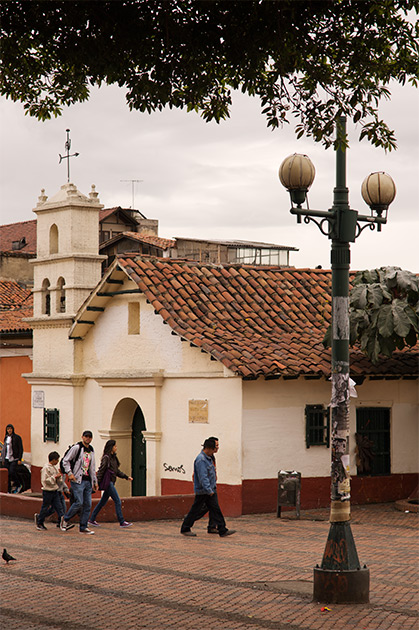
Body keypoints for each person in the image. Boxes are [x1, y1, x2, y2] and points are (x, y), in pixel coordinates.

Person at [180, 438, 236, 538]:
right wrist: (209, 490)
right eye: (216, 446)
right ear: (209, 448)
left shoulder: (210, 458)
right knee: (198, 509)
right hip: (204, 491)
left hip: (210, 489)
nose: (217, 448)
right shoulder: (201, 460)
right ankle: (185, 527)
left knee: (214, 509)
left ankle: (221, 529)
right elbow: (203, 477)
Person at [60, 430, 98, 534]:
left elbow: (92, 467)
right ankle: (65, 519)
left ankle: (83, 526)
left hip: (87, 481)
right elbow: (65, 460)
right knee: (79, 502)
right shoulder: (77, 448)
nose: (88, 438)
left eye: (90, 437)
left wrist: (94, 481)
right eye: (86, 436)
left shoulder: (91, 450)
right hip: (77, 480)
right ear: (82, 437)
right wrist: (69, 473)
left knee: (87, 505)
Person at [88, 439, 133, 528]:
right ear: (111, 447)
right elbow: (101, 470)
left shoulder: (113, 458)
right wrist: (96, 482)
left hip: (111, 481)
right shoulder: (106, 458)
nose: (116, 448)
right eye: (115, 446)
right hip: (108, 482)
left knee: (102, 502)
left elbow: (116, 471)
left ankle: (92, 519)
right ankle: (121, 521)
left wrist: (126, 477)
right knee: (117, 500)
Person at [34, 451, 75, 531]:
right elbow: (45, 480)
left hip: (55, 491)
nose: (57, 462)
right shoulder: (46, 468)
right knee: (45, 507)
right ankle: (40, 522)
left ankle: (62, 524)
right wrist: (54, 477)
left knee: (59, 508)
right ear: (53, 460)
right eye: (57, 460)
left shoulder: (54, 468)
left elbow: (59, 480)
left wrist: (59, 479)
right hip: (48, 491)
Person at [1, 424, 24, 493]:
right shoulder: (6, 438)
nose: (9, 430)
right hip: (6, 458)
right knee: (6, 474)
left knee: (12, 471)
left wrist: (19, 459)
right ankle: (8, 489)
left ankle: (18, 484)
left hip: (14, 458)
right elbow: (4, 449)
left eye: (10, 429)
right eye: (8, 429)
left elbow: (20, 448)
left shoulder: (17, 438)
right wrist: (3, 459)